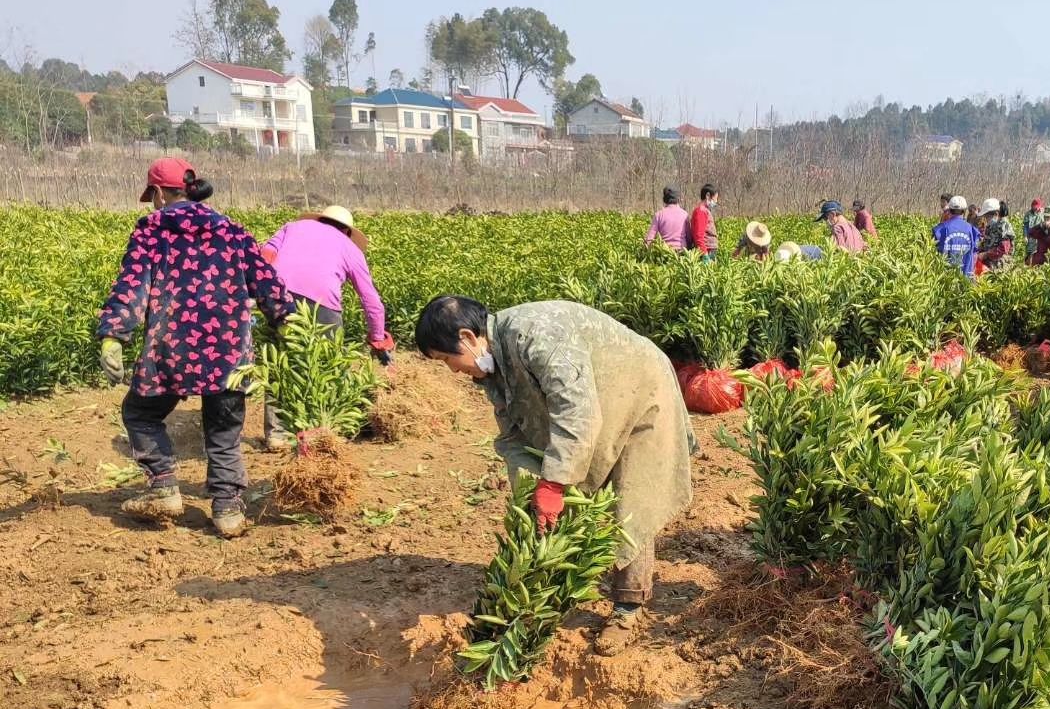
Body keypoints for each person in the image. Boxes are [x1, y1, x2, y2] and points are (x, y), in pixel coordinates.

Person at [413, 297, 694, 655]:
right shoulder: (493, 369)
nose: (452, 370)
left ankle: (628, 608)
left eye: (446, 360)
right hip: (602, 405)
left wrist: (553, 481)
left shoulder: (536, 335)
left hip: (640, 395)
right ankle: (561, 588)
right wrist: (530, 493)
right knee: (564, 495)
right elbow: (514, 435)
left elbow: (577, 412)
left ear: (468, 337)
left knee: (629, 502)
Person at [97, 157, 293, 537]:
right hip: (229, 352)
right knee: (223, 431)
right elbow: (267, 282)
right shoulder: (231, 229)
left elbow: (132, 285)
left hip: (171, 349)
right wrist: (287, 321)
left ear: (156, 192)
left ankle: (164, 486)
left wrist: (114, 334)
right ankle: (227, 509)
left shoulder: (152, 229)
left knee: (140, 413)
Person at [260, 205, 393, 451]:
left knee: (280, 363)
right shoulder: (349, 247)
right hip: (321, 305)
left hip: (275, 296)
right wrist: (377, 338)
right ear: (346, 230)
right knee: (327, 366)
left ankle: (277, 434)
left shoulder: (292, 227)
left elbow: (265, 255)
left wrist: (261, 291)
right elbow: (371, 301)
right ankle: (322, 429)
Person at [933, 195, 980, 278]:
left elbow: (933, 252)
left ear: (950, 210)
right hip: (966, 278)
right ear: (964, 211)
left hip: (945, 279)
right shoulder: (972, 230)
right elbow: (975, 254)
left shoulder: (940, 229)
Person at [644, 186, 690, 252]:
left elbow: (650, 237)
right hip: (682, 252)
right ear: (677, 199)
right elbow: (689, 237)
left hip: (665, 253)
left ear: (665, 199)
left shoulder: (659, 215)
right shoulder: (685, 214)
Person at [976, 197, 1015, 271]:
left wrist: (986, 254)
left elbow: (1003, 249)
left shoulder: (1004, 226)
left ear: (996, 214)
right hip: (989, 264)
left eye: (987, 216)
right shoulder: (991, 226)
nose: (986, 219)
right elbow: (986, 242)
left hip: (1000, 266)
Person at [688, 184, 719, 260]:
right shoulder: (701, 211)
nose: (716, 201)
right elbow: (699, 235)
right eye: (715, 198)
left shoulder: (705, 210)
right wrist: (704, 253)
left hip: (709, 249)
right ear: (708, 195)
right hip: (707, 250)